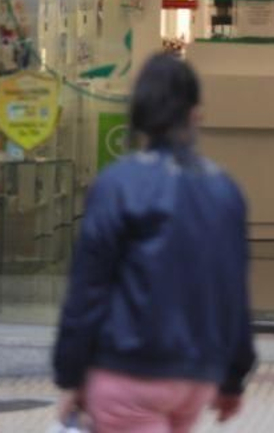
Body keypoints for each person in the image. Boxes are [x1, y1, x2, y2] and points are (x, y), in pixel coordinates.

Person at [53, 54, 256, 432]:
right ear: (196, 114)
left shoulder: (118, 184)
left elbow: (88, 289)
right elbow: (233, 290)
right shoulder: (224, 189)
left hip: (128, 371)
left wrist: (70, 374)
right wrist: (232, 378)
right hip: (195, 376)